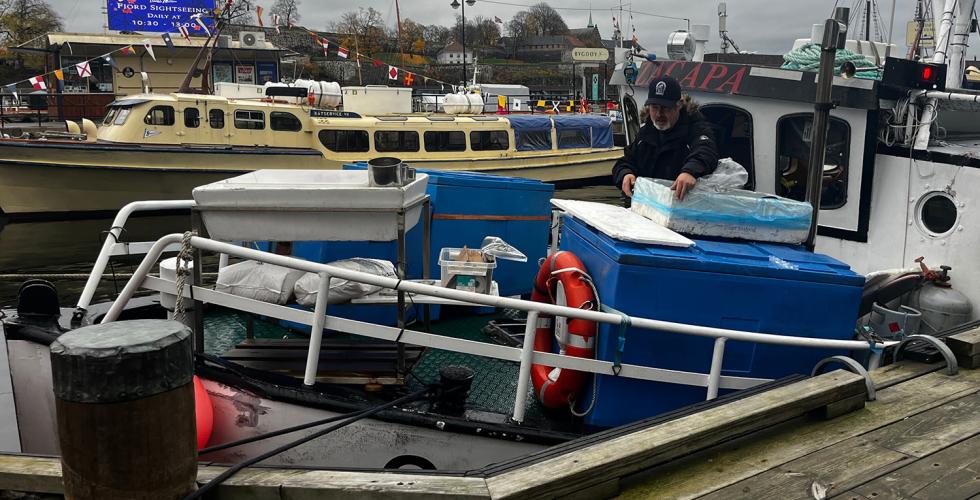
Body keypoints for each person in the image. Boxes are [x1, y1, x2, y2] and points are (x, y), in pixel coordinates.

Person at [612, 75, 718, 203]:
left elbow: (705, 150)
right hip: (646, 208)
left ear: (679, 105)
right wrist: (625, 174)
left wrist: (690, 172)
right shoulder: (645, 134)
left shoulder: (696, 129)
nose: (659, 114)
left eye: (665, 108)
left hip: (681, 208)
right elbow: (626, 160)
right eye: (655, 107)